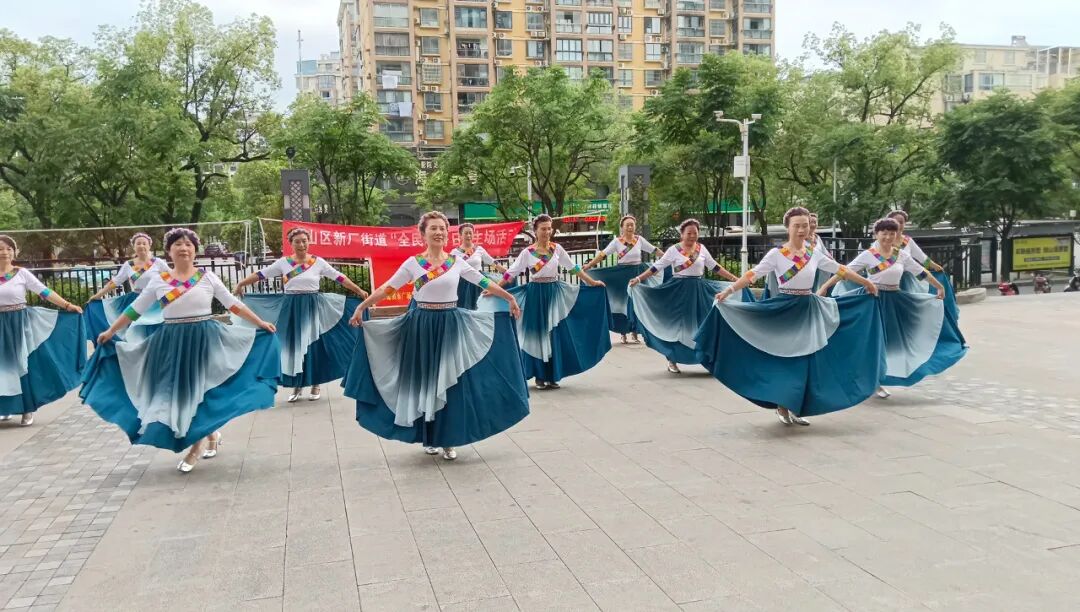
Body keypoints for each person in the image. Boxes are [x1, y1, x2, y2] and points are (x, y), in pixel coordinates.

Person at [80, 228, 281, 473]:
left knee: (199, 389)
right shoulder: (159, 280)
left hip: (205, 340)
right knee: (179, 393)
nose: (183, 248)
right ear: (169, 251)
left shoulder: (207, 277)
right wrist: (111, 331)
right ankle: (211, 434)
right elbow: (135, 309)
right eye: (178, 244)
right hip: (171, 342)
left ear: (195, 250)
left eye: (188, 244)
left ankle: (195, 448)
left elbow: (233, 304)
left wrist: (260, 323)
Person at [342, 211, 528, 461]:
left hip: (451, 325)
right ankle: (430, 436)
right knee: (426, 381)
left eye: (442, 228)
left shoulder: (456, 262)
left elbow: (483, 281)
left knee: (450, 382)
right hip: (422, 327)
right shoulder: (413, 263)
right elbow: (388, 288)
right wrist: (362, 306)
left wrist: (509, 297)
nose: (439, 232)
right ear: (423, 234)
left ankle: (448, 438)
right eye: (433, 228)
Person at [696, 207, 884, 426]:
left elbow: (840, 269)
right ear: (788, 227)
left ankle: (797, 406)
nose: (802, 229)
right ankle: (783, 405)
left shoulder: (814, 253)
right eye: (797, 225)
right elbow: (752, 275)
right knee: (786, 358)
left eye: (805, 225)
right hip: (784, 310)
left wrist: (866, 282)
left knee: (806, 360)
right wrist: (729, 291)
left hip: (808, 309)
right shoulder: (776, 254)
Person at [819, 217, 963, 398]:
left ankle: (880, 377)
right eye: (884, 233)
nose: (888, 237)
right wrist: (824, 287)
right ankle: (873, 381)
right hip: (872, 301)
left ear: (896, 235)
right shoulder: (869, 255)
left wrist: (939, 286)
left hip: (895, 302)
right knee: (872, 341)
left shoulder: (901, 255)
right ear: (876, 234)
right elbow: (845, 271)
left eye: (891, 233)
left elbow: (921, 271)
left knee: (891, 343)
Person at [231, 227, 368, 402]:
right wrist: (241, 283)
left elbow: (339, 277)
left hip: (312, 307)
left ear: (308, 242)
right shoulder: (283, 263)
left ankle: (315, 384)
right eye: (297, 241)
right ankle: (297, 385)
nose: (302, 244)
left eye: (304, 241)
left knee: (312, 345)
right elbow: (261, 274)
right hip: (291, 308)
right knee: (294, 346)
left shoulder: (318, 262)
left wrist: (358, 290)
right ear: (291, 244)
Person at [496, 214, 610, 390]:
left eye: (549, 228)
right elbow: (511, 273)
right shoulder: (527, 253)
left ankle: (553, 374)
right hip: (536, 295)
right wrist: (495, 288)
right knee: (538, 333)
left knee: (554, 332)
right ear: (535, 231)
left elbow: (574, 268)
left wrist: (592, 282)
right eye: (543, 229)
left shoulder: (557, 249)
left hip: (554, 292)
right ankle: (540, 376)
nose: (547, 232)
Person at [627, 218, 740, 374]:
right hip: (679, 291)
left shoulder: (701, 249)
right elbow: (656, 267)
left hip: (699, 291)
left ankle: (706, 358)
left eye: (695, 233)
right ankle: (672, 360)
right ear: (682, 234)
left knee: (704, 324)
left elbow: (715, 267)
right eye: (689, 233)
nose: (692, 236)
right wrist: (639, 279)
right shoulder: (673, 250)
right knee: (677, 326)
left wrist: (735, 279)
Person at [0, 235, 86, 427]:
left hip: (18, 325)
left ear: (14, 252)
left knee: (22, 365)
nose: (4, 252)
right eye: (0, 249)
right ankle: (5, 408)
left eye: (8, 248)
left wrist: (67, 305)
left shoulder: (21, 273)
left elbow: (44, 291)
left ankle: (27, 409)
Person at [582, 214, 658, 344]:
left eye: (632, 225)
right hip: (622, 275)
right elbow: (603, 254)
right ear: (622, 227)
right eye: (627, 225)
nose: (630, 227)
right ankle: (623, 333)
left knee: (636, 303)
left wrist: (668, 257)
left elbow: (654, 249)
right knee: (623, 304)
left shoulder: (639, 240)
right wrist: (589, 265)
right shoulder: (617, 242)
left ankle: (635, 332)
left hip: (637, 274)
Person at [84, 233, 171, 345]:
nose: (141, 246)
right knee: (135, 334)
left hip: (155, 302)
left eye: (144, 243)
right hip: (136, 300)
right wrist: (97, 296)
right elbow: (115, 282)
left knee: (154, 332)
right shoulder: (128, 265)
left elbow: (172, 278)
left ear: (149, 246)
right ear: (134, 247)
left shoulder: (158, 262)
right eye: (138, 243)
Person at [449, 223, 508, 310]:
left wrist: (508, 272)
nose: (468, 235)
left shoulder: (479, 249)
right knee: (464, 308)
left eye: (470, 233)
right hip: (462, 284)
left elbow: (492, 262)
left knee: (481, 307)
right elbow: (448, 269)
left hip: (479, 282)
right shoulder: (454, 253)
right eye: (466, 233)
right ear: (460, 235)